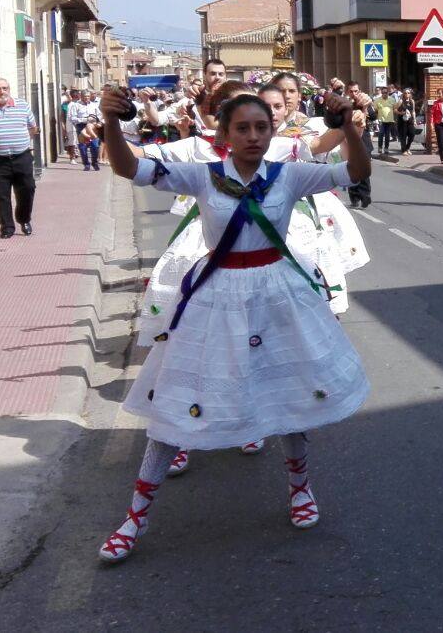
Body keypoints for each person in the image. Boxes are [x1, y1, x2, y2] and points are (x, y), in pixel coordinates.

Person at [94, 85, 372, 563]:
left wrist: (348, 127)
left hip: (277, 296)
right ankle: (135, 516)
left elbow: (355, 172)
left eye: (261, 127)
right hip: (216, 300)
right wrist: (113, 124)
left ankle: (300, 488)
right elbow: (129, 168)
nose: (253, 136)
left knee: (289, 394)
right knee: (180, 402)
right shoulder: (203, 178)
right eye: (242, 128)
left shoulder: (289, 177)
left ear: (273, 131)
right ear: (223, 133)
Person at [0, 77, 40, 238]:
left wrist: (22, 142)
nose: (2, 91)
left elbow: (33, 128)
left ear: (9, 89)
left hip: (22, 157)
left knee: (28, 188)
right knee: (1, 194)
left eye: (5, 88)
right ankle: (7, 227)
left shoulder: (22, 105)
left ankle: (24, 219)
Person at [344, 82, 373, 208]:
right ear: (347, 92)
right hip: (350, 138)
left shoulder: (366, 101)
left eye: (356, 91)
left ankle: (365, 195)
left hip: (364, 139)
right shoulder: (345, 104)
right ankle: (354, 196)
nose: (354, 94)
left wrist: (365, 107)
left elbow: (373, 116)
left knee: (364, 168)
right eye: (351, 91)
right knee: (353, 168)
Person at [69, 90, 101, 170]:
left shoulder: (94, 105)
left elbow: (100, 115)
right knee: (83, 147)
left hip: (93, 126)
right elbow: (73, 119)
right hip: (81, 127)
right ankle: (86, 164)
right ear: (81, 97)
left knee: (95, 146)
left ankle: (94, 162)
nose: (87, 98)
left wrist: (99, 122)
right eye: (85, 96)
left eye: (88, 96)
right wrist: (85, 119)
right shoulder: (76, 105)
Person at [371, 86, 397, 156]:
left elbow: (395, 110)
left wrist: (395, 119)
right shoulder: (377, 100)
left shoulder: (392, 100)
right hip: (381, 120)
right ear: (381, 93)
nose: (384, 94)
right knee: (381, 134)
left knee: (387, 135)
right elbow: (375, 110)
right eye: (383, 93)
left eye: (385, 93)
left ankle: (386, 148)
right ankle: (380, 147)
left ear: (388, 93)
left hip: (389, 120)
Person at [396, 87, 418, 154]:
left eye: (408, 93)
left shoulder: (412, 101)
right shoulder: (401, 101)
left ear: (410, 94)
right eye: (405, 93)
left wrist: (414, 120)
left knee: (412, 134)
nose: (407, 94)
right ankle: (404, 150)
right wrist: (401, 113)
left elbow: (413, 111)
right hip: (402, 121)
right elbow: (395, 110)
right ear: (403, 94)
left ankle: (407, 147)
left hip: (410, 120)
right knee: (403, 136)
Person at [60, 89, 78, 163]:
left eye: (71, 96)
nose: (69, 97)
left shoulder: (78, 104)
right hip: (70, 126)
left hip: (78, 125)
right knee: (72, 142)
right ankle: (72, 157)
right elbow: (62, 117)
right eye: (68, 96)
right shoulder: (64, 105)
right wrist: (63, 127)